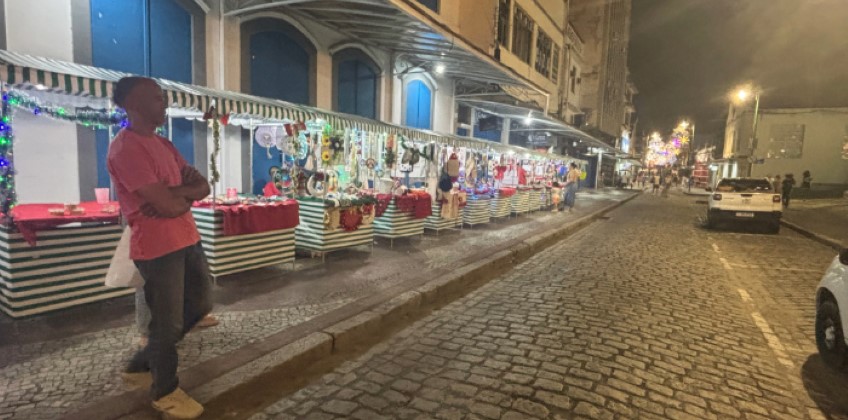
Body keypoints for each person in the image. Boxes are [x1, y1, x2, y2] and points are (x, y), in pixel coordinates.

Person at [107, 76, 212, 419]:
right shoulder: (125, 149)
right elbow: (166, 206)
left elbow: (202, 186)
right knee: (166, 323)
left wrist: (177, 194)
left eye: (163, 97)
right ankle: (164, 391)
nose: (164, 104)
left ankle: (140, 365)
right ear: (134, 105)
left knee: (200, 304)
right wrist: (179, 196)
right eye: (156, 98)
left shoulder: (165, 145)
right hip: (157, 247)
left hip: (187, 238)